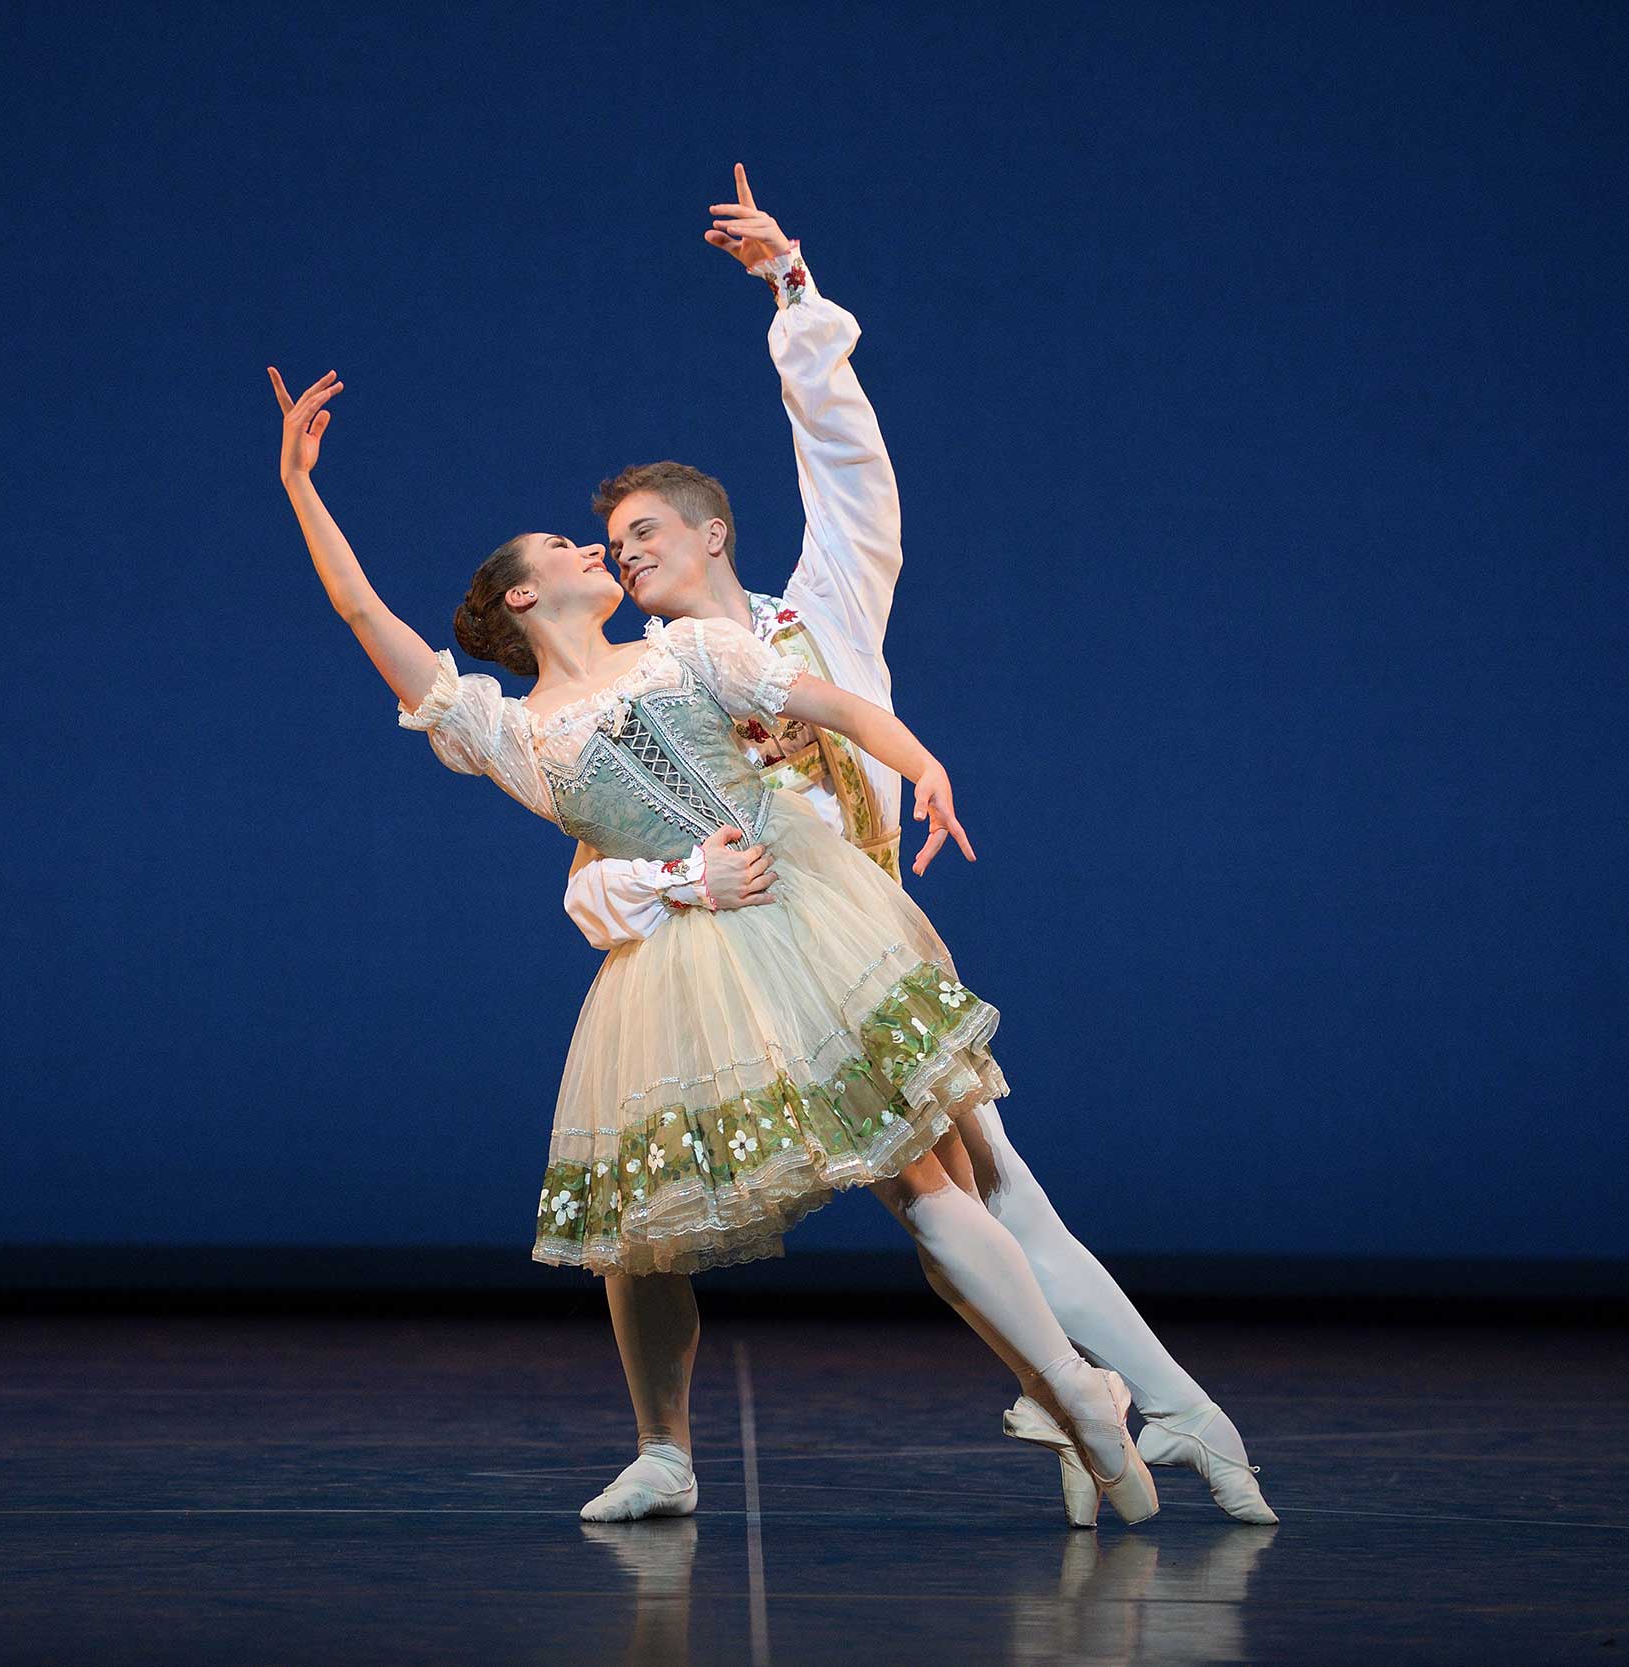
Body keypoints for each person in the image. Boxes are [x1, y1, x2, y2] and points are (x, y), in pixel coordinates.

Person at [269, 356, 1159, 1532]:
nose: (598, 554)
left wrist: (922, 762)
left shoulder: (684, 651)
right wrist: (299, 483)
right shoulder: (504, 730)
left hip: (802, 917)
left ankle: (1085, 1400)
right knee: (638, 1226)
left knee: (920, 1168)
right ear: (524, 601)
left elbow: (821, 701)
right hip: (681, 969)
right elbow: (362, 612)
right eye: (568, 550)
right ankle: (663, 1450)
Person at [558, 167, 1275, 1527]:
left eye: (643, 530)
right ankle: (1141, 1403)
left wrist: (791, 290)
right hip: (768, 969)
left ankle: (1142, 1404)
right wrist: (666, 880)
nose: (626, 551)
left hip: (864, 942)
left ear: (713, 531)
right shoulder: (647, 681)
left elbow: (846, 456)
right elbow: (598, 845)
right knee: (988, 1201)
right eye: (611, 541)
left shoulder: (817, 601)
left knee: (987, 1199)